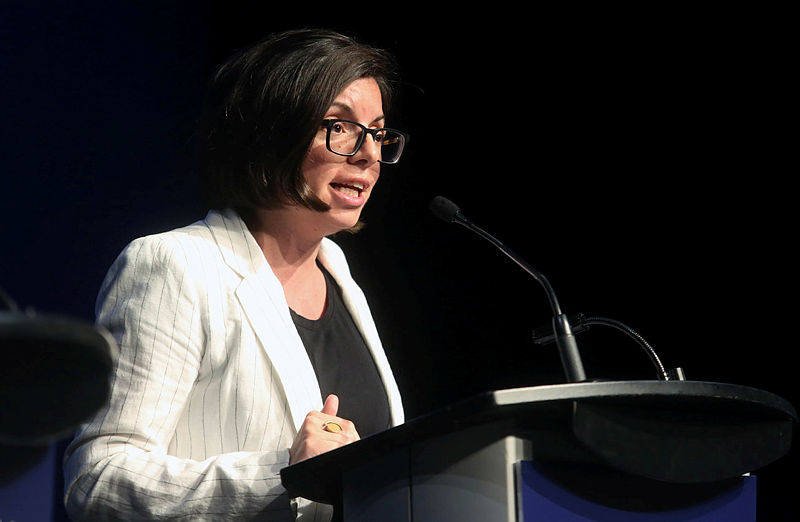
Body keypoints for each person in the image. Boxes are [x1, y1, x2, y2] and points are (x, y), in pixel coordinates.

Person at [62, 28, 408, 521]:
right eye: (340, 126)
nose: (370, 154)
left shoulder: (339, 273)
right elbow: (97, 480)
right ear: (270, 134)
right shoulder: (175, 265)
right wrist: (282, 473)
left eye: (377, 132)